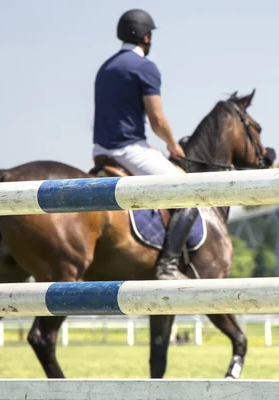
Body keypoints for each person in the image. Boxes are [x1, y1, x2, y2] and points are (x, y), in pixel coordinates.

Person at [92, 9, 196, 280]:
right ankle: (167, 267)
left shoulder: (106, 67)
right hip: (127, 150)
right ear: (146, 37)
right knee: (189, 195)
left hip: (101, 150)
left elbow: (118, 118)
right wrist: (173, 145)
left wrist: (146, 145)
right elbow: (157, 118)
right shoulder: (145, 68)